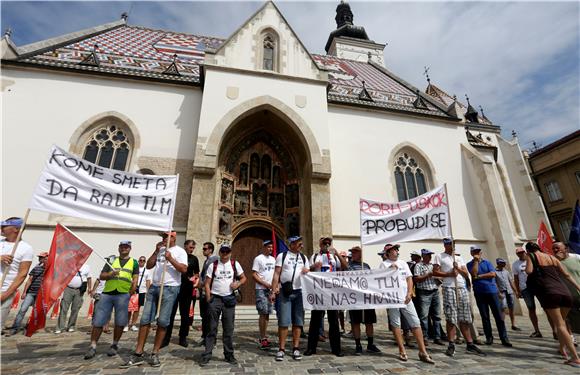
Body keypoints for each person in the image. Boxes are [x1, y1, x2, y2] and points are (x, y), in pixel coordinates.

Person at [120, 231, 188, 368]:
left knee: (163, 321)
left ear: (173, 238)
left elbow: (183, 269)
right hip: (155, 287)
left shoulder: (180, 251)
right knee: (145, 320)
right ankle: (138, 352)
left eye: (166, 236)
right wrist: (156, 252)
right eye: (162, 236)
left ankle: (155, 353)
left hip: (169, 288)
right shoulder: (161, 249)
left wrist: (171, 259)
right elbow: (150, 265)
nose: (163, 239)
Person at [524, 241, 580, 368]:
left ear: (528, 251)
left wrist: (529, 261)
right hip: (565, 293)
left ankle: (575, 358)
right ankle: (562, 349)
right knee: (562, 323)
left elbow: (528, 271)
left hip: (549, 293)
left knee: (560, 325)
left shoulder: (531, 256)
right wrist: (578, 288)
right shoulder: (551, 257)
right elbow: (566, 275)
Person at [380, 243, 435, 364]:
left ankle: (422, 351)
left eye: (397, 249)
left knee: (415, 322)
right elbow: (381, 281)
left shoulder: (403, 263)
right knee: (396, 324)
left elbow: (409, 279)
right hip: (392, 299)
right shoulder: (384, 264)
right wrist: (389, 271)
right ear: (388, 253)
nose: (396, 251)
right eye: (394, 250)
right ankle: (401, 350)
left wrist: (410, 292)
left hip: (405, 298)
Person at [84, 240, 139, 359]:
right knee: (98, 321)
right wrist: (110, 275)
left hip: (123, 294)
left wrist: (130, 292)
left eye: (126, 247)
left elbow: (135, 279)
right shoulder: (111, 260)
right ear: (118, 248)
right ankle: (93, 346)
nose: (124, 249)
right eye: (122, 247)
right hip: (107, 294)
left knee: (120, 322)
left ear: (130, 249)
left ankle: (114, 344)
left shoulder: (134, 262)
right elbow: (101, 276)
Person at [433, 237, 485, 357]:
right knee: (451, 317)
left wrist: (458, 269)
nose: (450, 246)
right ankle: (451, 343)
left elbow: (466, 273)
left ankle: (470, 343)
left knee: (465, 317)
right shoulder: (439, 256)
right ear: (444, 245)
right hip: (449, 287)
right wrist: (448, 273)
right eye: (448, 244)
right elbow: (435, 272)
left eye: (452, 244)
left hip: (461, 287)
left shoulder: (459, 258)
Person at [200, 243, 247, 366]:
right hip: (215, 299)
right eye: (223, 251)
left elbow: (243, 278)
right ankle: (207, 353)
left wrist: (237, 284)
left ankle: (229, 354)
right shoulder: (213, 265)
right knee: (211, 328)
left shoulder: (235, 264)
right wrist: (209, 299)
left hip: (229, 299)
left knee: (228, 329)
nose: (225, 254)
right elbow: (207, 283)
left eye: (227, 251)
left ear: (230, 252)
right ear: (220, 252)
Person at [305, 236, 348, 357]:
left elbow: (345, 267)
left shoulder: (334, 257)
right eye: (324, 243)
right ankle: (311, 348)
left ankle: (336, 349)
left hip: (332, 292)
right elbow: (308, 270)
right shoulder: (314, 256)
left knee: (333, 321)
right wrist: (314, 267)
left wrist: (338, 254)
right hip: (318, 291)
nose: (326, 245)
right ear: (320, 244)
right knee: (315, 321)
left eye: (328, 243)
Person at [270, 236, 310, 361]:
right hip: (285, 292)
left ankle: (296, 348)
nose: (301, 246)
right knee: (284, 321)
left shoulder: (304, 257)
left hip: (299, 292)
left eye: (302, 244)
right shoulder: (282, 256)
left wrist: (306, 271)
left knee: (298, 322)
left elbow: (308, 272)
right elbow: (276, 273)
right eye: (299, 244)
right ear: (292, 244)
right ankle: (281, 349)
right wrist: (273, 290)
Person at [466, 245, 511, 347]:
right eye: (474, 252)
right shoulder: (469, 264)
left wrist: (480, 276)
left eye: (478, 251)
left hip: (492, 292)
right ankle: (489, 338)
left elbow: (492, 274)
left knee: (499, 316)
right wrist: (476, 262)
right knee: (485, 317)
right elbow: (473, 273)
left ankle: (504, 338)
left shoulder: (488, 262)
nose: (476, 253)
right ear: (472, 253)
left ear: (481, 252)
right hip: (479, 293)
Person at [163, 239, 199, 348]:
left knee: (185, 315)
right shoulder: (177, 254)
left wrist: (195, 278)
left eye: (193, 248)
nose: (192, 250)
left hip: (187, 289)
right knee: (171, 313)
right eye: (190, 247)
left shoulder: (194, 259)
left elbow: (197, 273)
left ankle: (183, 337)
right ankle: (166, 338)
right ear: (185, 246)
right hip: (175, 286)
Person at [0, 217, 33, 331]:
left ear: (16, 229)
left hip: (5, 291)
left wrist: (5, 295)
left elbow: (22, 274)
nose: (1, 228)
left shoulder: (26, 248)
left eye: (4, 226)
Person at [347, 245, 381, 355]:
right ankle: (358, 345)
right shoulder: (349, 265)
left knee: (369, 322)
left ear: (361, 254)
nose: (353, 254)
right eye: (352, 252)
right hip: (355, 298)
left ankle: (370, 344)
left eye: (356, 252)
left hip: (366, 299)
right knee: (355, 323)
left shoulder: (366, 266)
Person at [8, 251, 48, 335]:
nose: (39, 259)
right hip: (31, 292)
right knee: (23, 309)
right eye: (39, 257)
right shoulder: (36, 267)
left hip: (41, 294)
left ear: (47, 258)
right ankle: (15, 327)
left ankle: (29, 327)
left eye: (41, 257)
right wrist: (24, 292)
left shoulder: (49, 270)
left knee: (35, 312)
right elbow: (29, 280)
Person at [413, 248, 444, 346]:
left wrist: (439, 278)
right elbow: (416, 279)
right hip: (424, 292)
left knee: (437, 316)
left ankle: (437, 337)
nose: (430, 257)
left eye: (430, 255)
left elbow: (438, 276)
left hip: (434, 291)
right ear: (423, 256)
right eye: (428, 255)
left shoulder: (432, 265)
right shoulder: (418, 266)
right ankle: (425, 337)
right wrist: (428, 275)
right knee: (424, 316)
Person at [512, 246, 543, 337]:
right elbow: (516, 278)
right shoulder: (515, 264)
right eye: (519, 253)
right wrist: (517, 291)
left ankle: (555, 331)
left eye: (522, 252)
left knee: (547, 308)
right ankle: (537, 330)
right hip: (525, 288)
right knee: (531, 309)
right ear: (517, 254)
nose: (521, 254)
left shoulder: (532, 260)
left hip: (537, 286)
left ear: (525, 252)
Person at [252, 239, 276, 350]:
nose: (270, 249)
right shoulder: (258, 259)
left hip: (271, 290)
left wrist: (275, 287)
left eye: (271, 247)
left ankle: (265, 336)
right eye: (268, 247)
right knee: (263, 312)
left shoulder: (273, 259)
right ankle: (262, 337)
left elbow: (276, 274)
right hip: (261, 289)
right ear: (264, 247)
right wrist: (265, 283)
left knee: (267, 313)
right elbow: (254, 275)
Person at [56, 262, 92, 333]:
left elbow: (89, 278)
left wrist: (89, 288)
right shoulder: (69, 265)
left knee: (75, 309)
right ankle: (60, 327)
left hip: (79, 290)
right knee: (64, 308)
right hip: (68, 288)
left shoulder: (86, 266)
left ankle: (71, 326)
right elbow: (62, 276)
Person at [197, 242, 217, 347]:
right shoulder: (207, 261)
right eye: (203, 248)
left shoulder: (214, 260)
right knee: (204, 316)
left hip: (209, 292)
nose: (203, 250)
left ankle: (211, 338)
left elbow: (210, 277)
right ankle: (205, 337)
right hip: (203, 292)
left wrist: (201, 284)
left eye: (205, 249)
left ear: (210, 250)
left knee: (210, 317)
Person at [495, 258, 520, 331]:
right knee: (503, 308)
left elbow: (511, 281)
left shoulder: (506, 272)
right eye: (502, 263)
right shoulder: (495, 272)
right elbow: (495, 283)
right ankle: (502, 325)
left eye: (504, 262)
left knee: (511, 308)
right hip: (502, 292)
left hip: (509, 292)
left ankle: (513, 324)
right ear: (498, 263)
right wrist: (498, 292)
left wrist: (516, 291)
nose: (504, 264)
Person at [128, 256, 150, 331]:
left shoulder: (147, 271)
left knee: (137, 309)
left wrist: (148, 291)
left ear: (145, 262)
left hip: (142, 291)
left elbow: (148, 281)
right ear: (138, 261)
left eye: (143, 260)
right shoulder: (133, 269)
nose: (142, 261)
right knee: (129, 309)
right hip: (132, 291)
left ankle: (133, 324)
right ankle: (126, 324)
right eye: (140, 260)